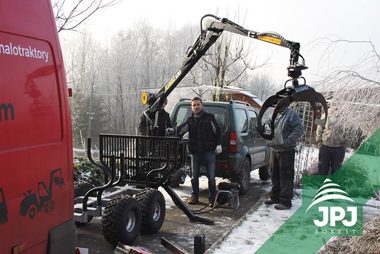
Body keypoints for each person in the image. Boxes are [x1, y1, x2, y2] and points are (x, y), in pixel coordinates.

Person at [176, 97, 222, 206]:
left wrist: (219, 144)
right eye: (194, 105)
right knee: (194, 176)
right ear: (192, 108)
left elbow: (218, 131)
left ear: (202, 105)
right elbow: (180, 129)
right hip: (195, 152)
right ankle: (195, 196)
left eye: (198, 104)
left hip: (209, 151)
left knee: (211, 177)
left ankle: (212, 198)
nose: (196, 107)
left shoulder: (210, 118)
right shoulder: (190, 120)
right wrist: (172, 130)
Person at [265, 105, 304, 210]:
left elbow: (299, 129)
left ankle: (286, 202)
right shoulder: (274, 114)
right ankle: (275, 197)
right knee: (274, 174)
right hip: (275, 149)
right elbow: (268, 125)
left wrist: (288, 141)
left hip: (286, 151)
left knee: (285, 175)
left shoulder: (291, 114)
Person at [316, 106, 346, 175]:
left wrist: (346, 144)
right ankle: (320, 185)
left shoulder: (346, 116)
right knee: (322, 170)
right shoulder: (325, 114)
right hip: (325, 147)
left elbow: (350, 131)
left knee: (336, 173)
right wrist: (319, 141)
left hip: (339, 148)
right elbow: (319, 127)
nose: (336, 105)